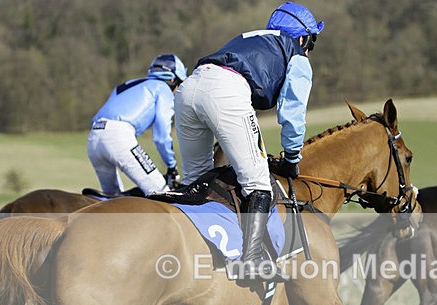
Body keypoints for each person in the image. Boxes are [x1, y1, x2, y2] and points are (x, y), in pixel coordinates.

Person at [173, 1, 324, 281]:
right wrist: (292, 158)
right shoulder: (297, 56)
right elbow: (292, 114)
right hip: (225, 90)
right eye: (311, 42)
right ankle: (251, 261)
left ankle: (189, 251)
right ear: (303, 38)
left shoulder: (254, 38)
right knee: (258, 183)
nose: (309, 50)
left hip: (188, 89)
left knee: (196, 180)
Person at [87, 54, 187, 197]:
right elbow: (161, 136)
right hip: (118, 137)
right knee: (163, 194)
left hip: (94, 137)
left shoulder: (127, 84)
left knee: (112, 201)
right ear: (173, 79)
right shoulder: (163, 88)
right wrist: (171, 165)